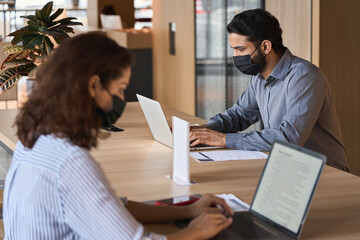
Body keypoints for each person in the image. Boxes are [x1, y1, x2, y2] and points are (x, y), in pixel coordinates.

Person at [3, 33, 233, 239]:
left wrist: (187, 210)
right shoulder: (69, 163)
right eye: (120, 89)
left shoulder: (36, 137)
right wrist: (196, 231)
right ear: (94, 86)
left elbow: (110, 208)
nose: (121, 99)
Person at [190, 9, 348, 171]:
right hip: (287, 167)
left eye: (241, 49)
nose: (236, 56)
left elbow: (289, 138)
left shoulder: (303, 77)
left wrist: (224, 139)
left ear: (265, 46)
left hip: (323, 171)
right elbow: (240, 115)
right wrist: (203, 130)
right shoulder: (259, 77)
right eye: (233, 49)